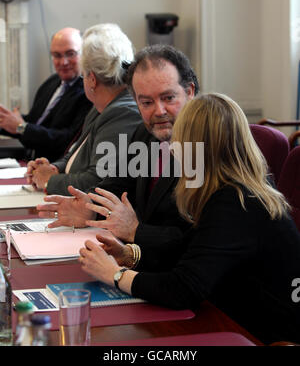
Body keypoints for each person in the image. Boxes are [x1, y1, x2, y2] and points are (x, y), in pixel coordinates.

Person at [79, 93, 300, 345]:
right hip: (235, 316)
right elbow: (191, 250)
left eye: (179, 140)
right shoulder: (236, 188)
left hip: (260, 334)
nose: (172, 149)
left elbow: (183, 289)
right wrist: (130, 255)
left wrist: (114, 275)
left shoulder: (237, 202)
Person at [36, 45, 199, 255]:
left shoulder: (206, 144)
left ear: (189, 92)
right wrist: (90, 208)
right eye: (147, 102)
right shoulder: (145, 133)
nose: (158, 111)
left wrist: (136, 231)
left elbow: (196, 238)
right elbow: (118, 184)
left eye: (168, 98)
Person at [25, 23, 142, 196]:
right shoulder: (101, 107)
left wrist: (49, 180)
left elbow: (98, 180)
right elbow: (75, 153)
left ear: (92, 79)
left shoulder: (123, 112)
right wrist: (53, 168)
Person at [0, 27, 92, 162]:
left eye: (71, 54)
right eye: (57, 55)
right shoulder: (52, 82)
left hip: (55, 166)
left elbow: (68, 139)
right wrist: (5, 121)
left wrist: (21, 128)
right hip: (29, 161)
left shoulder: (89, 91)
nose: (63, 62)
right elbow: (34, 122)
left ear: (85, 54)